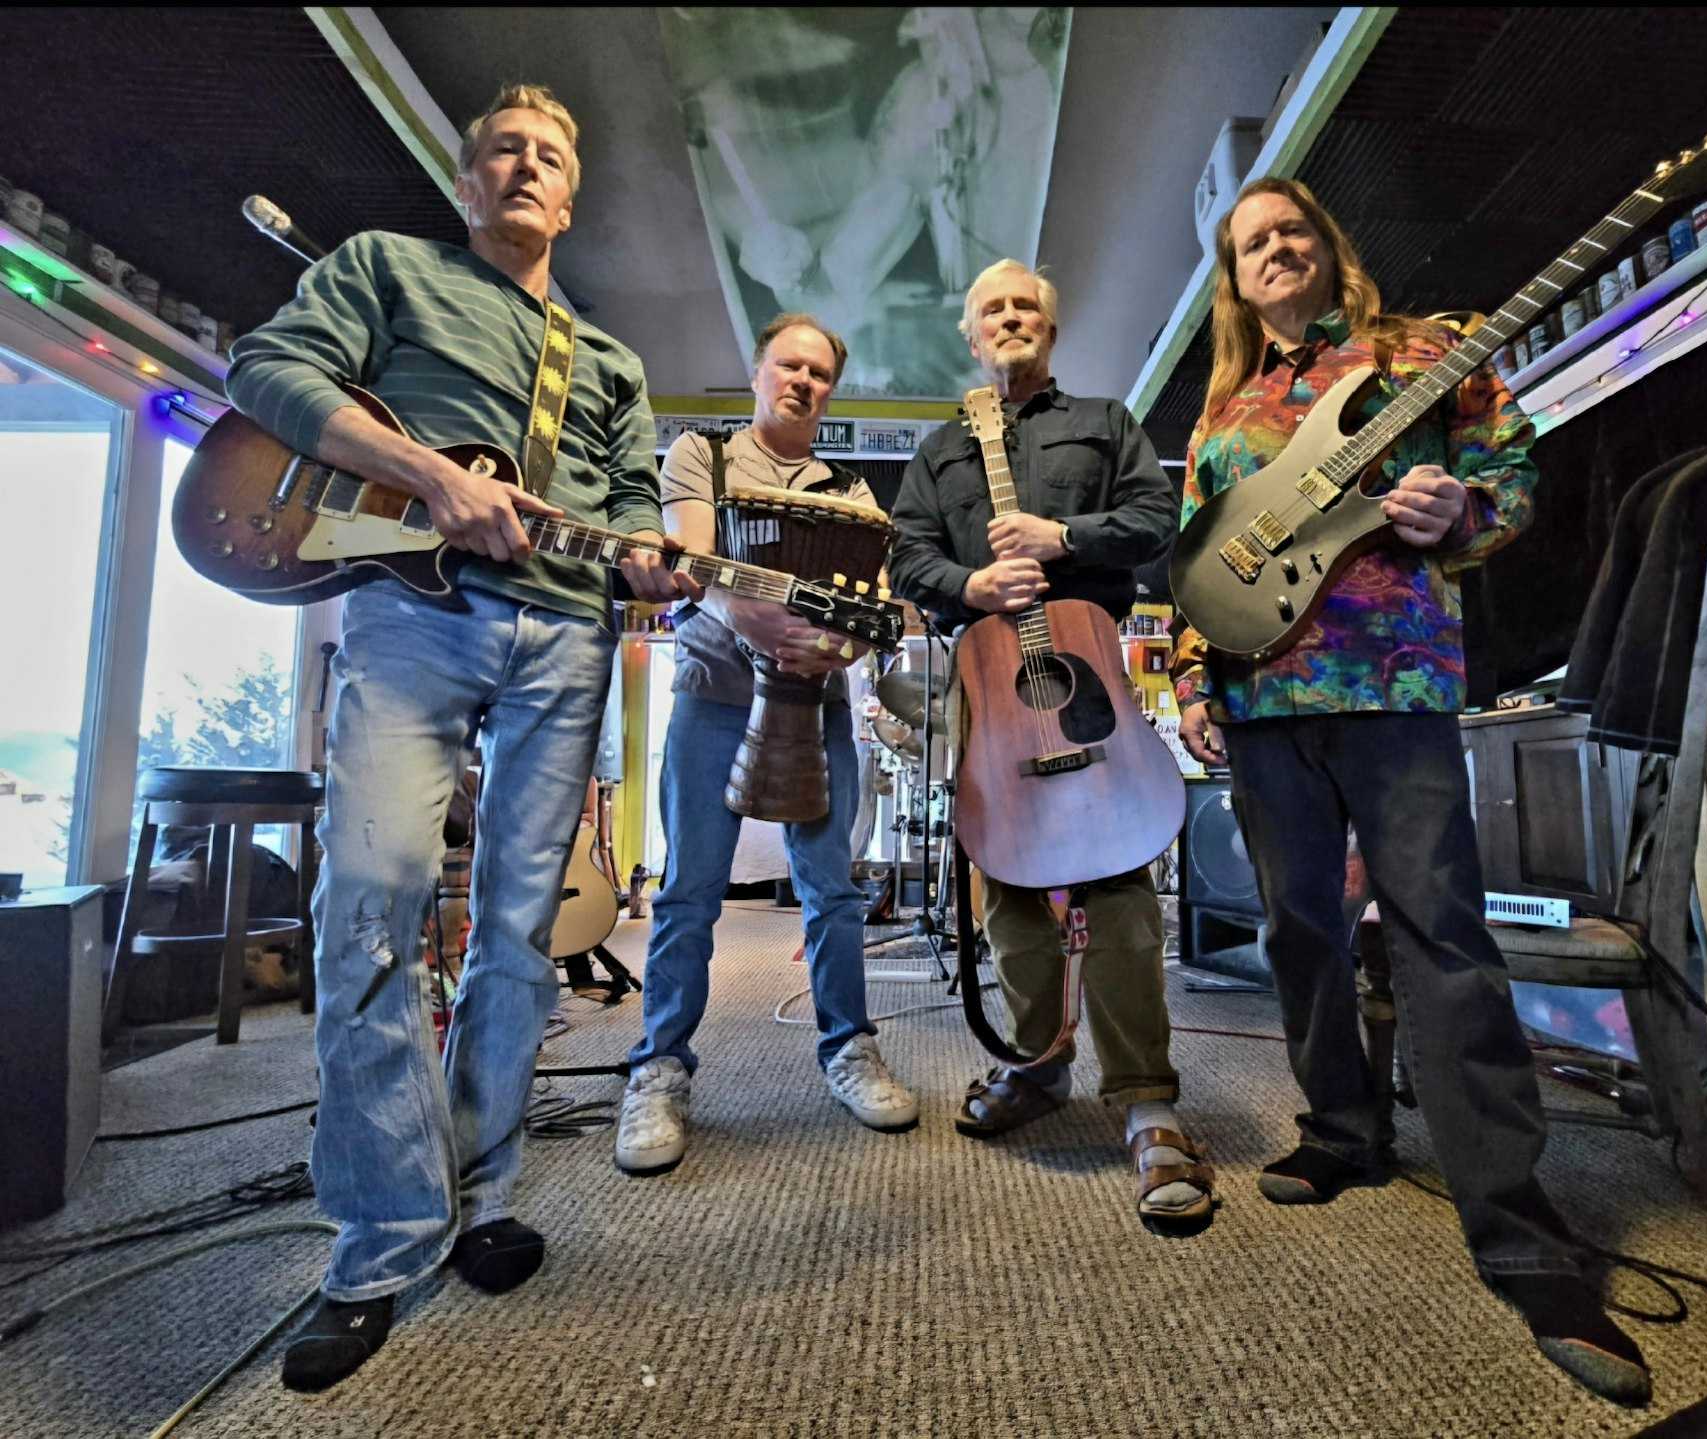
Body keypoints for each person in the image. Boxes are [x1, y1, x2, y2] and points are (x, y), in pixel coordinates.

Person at [225, 84, 694, 1392]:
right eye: (505, 149)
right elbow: (262, 369)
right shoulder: (389, 268)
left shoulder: (609, 362)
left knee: (520, 931)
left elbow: (630, 516)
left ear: (571, 198)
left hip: (566, 639)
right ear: (466, 178)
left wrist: (654, 565)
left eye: (551, 155)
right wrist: (429, 474)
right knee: (366, 904)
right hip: (411, 614)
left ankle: (480, 1190)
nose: (528, 165)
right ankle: (381, 1234)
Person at [1170, 177, 1651, 1406]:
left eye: (1290, 229)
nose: (1273, 249)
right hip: (1260, 703)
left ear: (1327, 244)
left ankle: (1517, 1226)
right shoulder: (1224, 404)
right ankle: (1341, 1128)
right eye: (1250, 242)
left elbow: (1510, 475)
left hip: (1390, 680)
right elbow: (1198, 554)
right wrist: (1187, 676)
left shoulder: (1421, 354)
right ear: (1234, 279)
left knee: (1441, 936)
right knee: (1296, 930)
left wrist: (1460, 509)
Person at [889, 259, 1215, 1236]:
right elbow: (907, 555)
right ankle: (1037, 1063)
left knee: (1117, 879)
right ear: (970, 334)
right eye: (991, 307)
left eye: (1026, 304)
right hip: (988, 682)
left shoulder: (1107, 423)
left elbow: (1156, 520)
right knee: (1009, 888)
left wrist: (1060, 536)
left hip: (1086, 674)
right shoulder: (938, 450)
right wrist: (970, 584)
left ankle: (1146, 1097)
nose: (1009, 317)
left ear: (1050, 328)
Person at [614, 314, 919, 1177]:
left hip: (816, 704)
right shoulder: (700, 457)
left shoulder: (852, 492)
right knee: (688, 891)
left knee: (832, 891)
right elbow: (695, 565)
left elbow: (874, 604)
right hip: (712, 699)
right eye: (790, 365)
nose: (803, 382)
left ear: (831, 390)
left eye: (820, 374)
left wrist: (837, 648)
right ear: (757, 372)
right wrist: (766, 625)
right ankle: (659, 1067)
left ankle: (848, 1047)